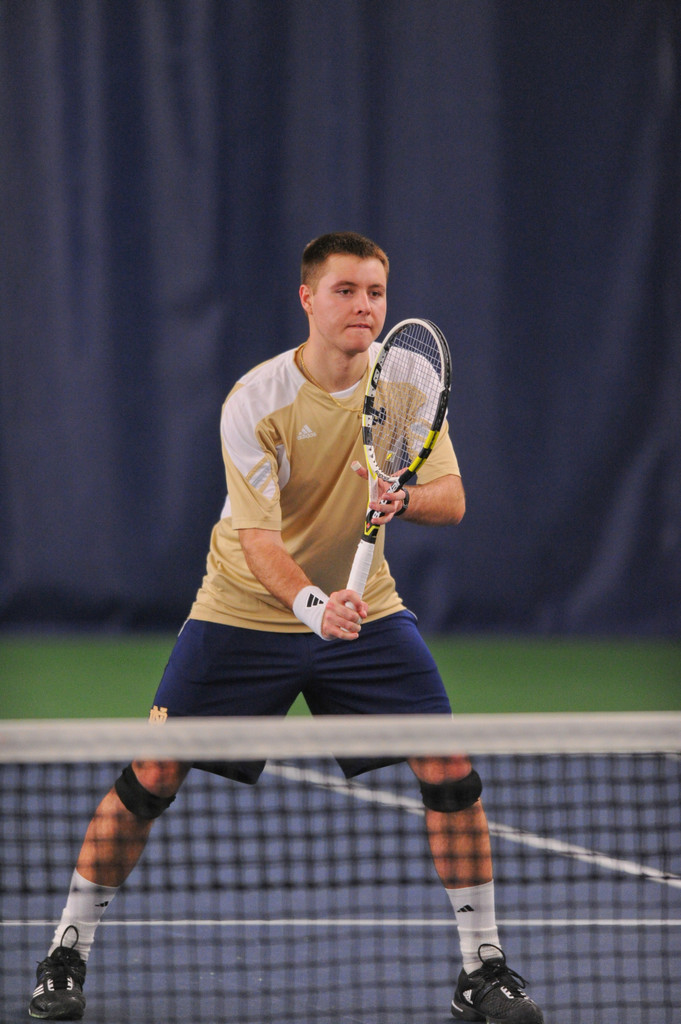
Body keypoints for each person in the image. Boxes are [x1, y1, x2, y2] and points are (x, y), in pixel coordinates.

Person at [29, 231, 543, 1024]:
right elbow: (258, 542)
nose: (363, 306)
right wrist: (311, 607)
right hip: (243, 608)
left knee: (450, 771)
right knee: (151, 778)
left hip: (366, 606)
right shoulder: (257, 400)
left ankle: (482, 965)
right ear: (308, 298)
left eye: (374, 291)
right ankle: (66, 952)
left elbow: (452, 499)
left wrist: (399, 498)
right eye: (345, 291)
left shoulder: (402, 377)